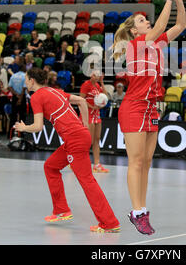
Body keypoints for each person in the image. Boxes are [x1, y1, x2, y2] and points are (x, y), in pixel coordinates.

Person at [113, 0, 186, 235]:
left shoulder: (156, 45)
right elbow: (161, 26)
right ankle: (137, 212)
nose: (147, 23)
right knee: (135, 162)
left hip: (151, 108)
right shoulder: (135, 46)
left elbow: (180, 26)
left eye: (146, 20)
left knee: (146, 162)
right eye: (143, 20)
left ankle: (142, 208)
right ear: (135, 32)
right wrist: (167, 0)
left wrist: (178, 0)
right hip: (133, 107)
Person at [14, 67, 120, 233]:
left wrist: (23, 127)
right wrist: (84, 125)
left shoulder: (36, 97)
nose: (25, 81)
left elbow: (38, 126)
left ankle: (110, 223)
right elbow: (82, 101)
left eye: (26, 78)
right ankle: (61, 210)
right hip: (78, 136)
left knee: (87, 181)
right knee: (50, 166)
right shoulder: (55, 91)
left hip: (74, 140)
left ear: (32, 80)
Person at [80, 71, 109, 173]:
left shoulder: (97, 85)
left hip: (96, 114)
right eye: (95, 75)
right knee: (89, 141)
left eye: (98, 76)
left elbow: (106, 97)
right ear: (91, 75)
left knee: (97, 139)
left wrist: (102, 83)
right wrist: (92, 106)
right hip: (88, 115)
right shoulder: (86, 85)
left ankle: (97, 164)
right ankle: (79, 162)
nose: (97, 77)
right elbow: (80, 100)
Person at [8, 64, 27, 137]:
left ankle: (10, 134)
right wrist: (20, 98)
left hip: (14, 97)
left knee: (13, 116)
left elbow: (9, 87)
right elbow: (24, 88)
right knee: (22, 116)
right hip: (22, 97)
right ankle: (22, 134)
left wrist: (16, 95)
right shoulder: (25, 76)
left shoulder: (13, 76)